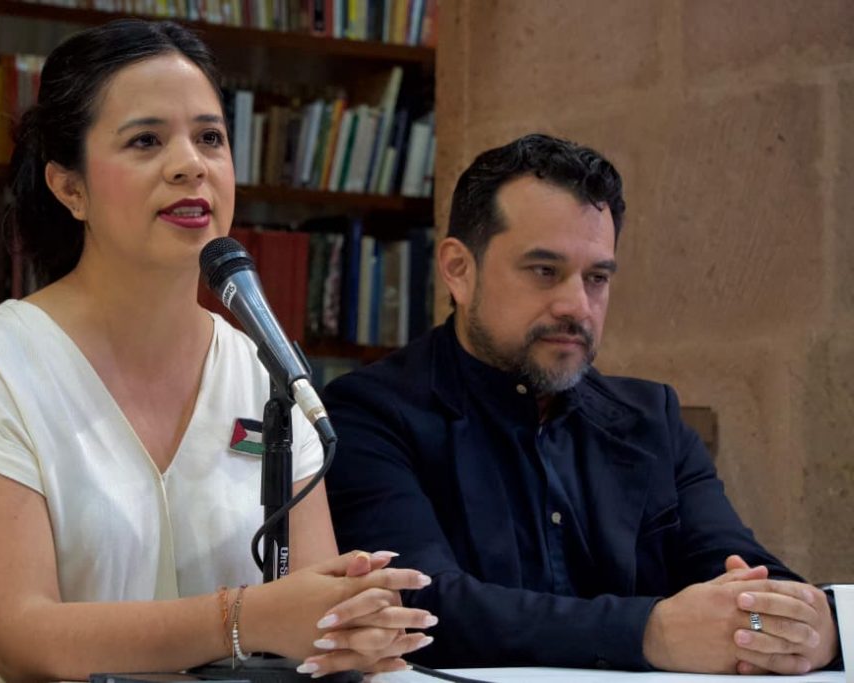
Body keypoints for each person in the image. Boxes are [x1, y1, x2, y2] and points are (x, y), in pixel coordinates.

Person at [0, 19, 437, 682]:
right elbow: (25, 641)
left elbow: (308, 617)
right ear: (70, 187)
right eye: (146, 140)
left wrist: (349, 626)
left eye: (210, 138)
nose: (190, 164)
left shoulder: (267, 370)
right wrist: (245, 616)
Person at [324, 133, 841, 675]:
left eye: (597, 278)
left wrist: (815, 629)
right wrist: (649, 633)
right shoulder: (367, 413)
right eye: (544, 271)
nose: (577, 305)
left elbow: (746, 574)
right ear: (458, 269)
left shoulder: (653, 420)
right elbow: (415, 609)